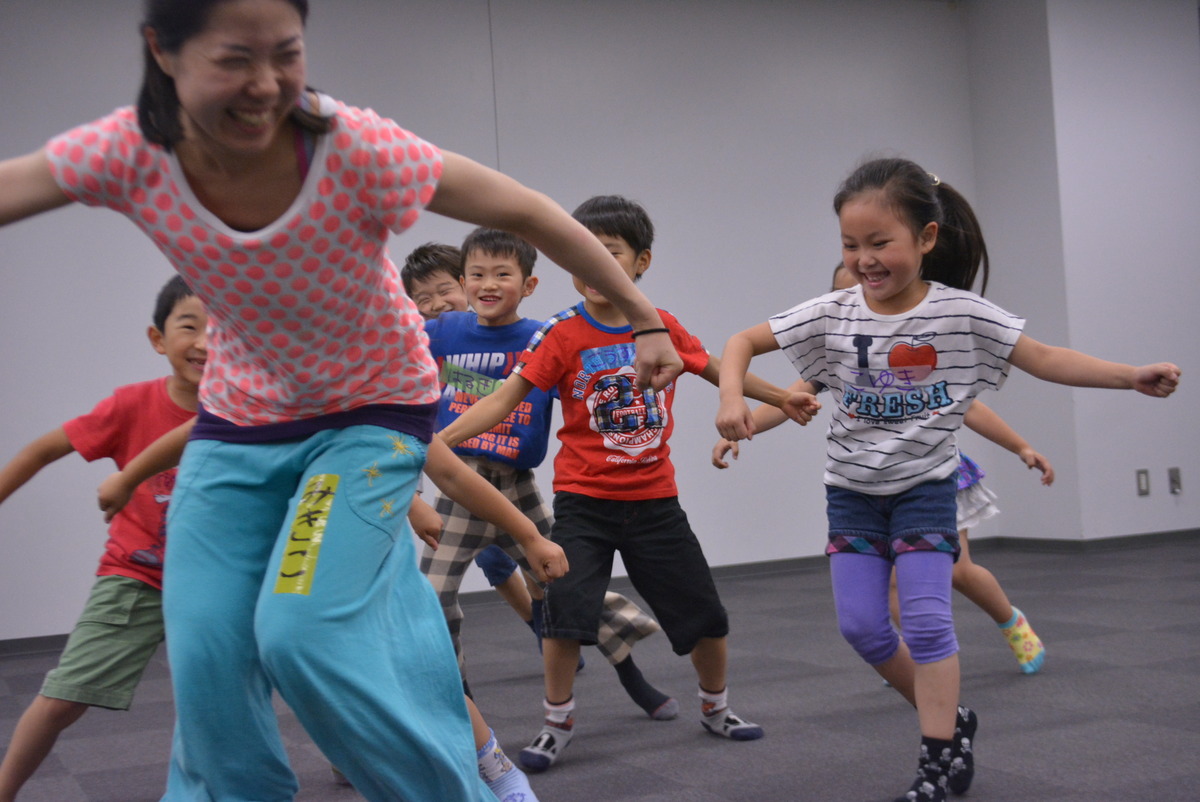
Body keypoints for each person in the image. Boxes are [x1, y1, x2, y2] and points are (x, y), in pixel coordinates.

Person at [0, 1, 685, 798]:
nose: (266, 85)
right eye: (234, 59)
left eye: (286, 54)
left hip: (367, 416)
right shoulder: (130, 151)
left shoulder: (351, 148)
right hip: (239, 423)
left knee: (299, 632)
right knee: (207, 650)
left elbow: (526, 210)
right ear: (163, 50)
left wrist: (642, 319)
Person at [715, 157, 1179, 802]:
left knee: (929, 624)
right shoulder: (832, 313)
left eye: (880, 242)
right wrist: (733, 407)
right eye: (850, 245)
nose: (864, 259)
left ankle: (935, 758)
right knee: (863, 628)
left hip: (925, 489)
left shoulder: (961, 314)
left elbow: (1045, 358)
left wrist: (1129, 376)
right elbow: (740, 343)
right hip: (851, 493)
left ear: (926, 237)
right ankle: (952, 718)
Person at [441, 195, 818, 773]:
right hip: (583, 503)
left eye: (610, 254)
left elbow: (717, 369)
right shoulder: (561, 333)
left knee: (705, 616)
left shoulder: (660, 327)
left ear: (641, 262)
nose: (595, 268)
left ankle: (716, 707)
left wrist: (781, 397)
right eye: (583, 255)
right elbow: (505, 398)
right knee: (562, 615)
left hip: (655, 502)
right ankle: (556, 722)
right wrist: (441, 440)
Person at [713, 264, 1051, 675]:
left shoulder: (923, 345)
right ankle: (911, 661)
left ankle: (1011, 622)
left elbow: (972, 410)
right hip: (872, 483)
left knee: (960, 571)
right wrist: (742, 428)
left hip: (933, 475)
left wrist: (1021, 446)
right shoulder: (839, 351)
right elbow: (786, 400)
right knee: (888, 584)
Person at [420, 226, 676, 719]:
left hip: (518, 487)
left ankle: (632, 675)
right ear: (464, 282)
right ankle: (460, 699)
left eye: (502, 274)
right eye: (477, 275)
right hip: (459, 486)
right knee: (431, 599)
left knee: (570, 585)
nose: (488, 284)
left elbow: (587, 395)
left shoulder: (545, 337)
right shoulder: (443, 332)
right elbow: (398, 379)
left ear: (529, 284)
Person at [0, 276, 204, 802]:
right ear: (158, 338)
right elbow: (41, 450)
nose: (206, 342)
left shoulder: (255, 410)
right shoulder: (132, 405)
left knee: (286, 670)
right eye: (190, 326)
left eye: (224, 330)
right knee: (64, 696)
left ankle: (350, 759)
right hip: (136, 576)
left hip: (223, 582)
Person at [401, 240, 549, 654]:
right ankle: (539, 627)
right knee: (491, 560)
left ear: (462, 285)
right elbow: (407, 422)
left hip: (509, 470)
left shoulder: (521, 337)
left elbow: (506, 395)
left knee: (533, 560)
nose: (435, 304)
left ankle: (548, 627)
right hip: (458, 471)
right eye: (422, 299)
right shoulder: (431, 344)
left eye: (444, 291)